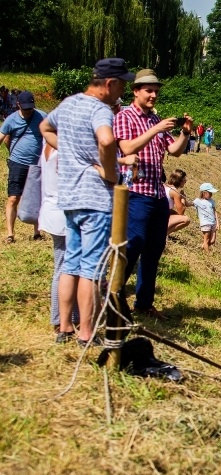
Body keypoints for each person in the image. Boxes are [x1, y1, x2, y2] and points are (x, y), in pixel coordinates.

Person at [39, 57, 134, 345]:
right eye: (122, 86)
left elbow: (45, 127)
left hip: (69, 196)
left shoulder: (68, 104)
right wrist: (109, 172)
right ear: (109, 83)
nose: (122, 92)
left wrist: (69, 152)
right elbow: (106, 140)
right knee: (91, 268)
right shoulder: (99, 110)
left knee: (70, 263)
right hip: (95, 198)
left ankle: (65, 326)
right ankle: (86, 332)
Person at [114, 68, 192, 319]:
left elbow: (174, 151)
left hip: (157, 194)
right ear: (136, 91)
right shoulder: (125, 116)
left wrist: (185, 133)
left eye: (156, 91)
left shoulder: (154, 120)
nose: (153, 95)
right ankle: (114, 295)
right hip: (135, 192)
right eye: (149, 90)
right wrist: (156, 129)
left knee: (154, 249)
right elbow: (127, 147)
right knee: (133, 244)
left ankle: (144, 303)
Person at [37, 143, 79, 335]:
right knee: (65, 267)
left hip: (53, 209)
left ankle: (70, 316)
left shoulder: (48, 145)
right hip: (63, 211)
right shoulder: (62, 147)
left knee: (65, 266)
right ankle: (60, 318)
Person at [0, 90, 47, 243]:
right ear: (18, 105)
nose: (28, 111)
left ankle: (37, 232)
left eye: (30, 108)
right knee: (13, 198)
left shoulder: (42, 116)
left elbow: (52, 135)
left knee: (37, 197)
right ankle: (10, 234)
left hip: (37, 164)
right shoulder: (11, 120)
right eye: (25, 108)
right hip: (17, 163)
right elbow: (3, 138)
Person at [193, 183, 218, 252]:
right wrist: (183, 198)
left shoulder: (211, 201)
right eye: (210, 193)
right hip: (205, 223)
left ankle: (203, 247)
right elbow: (188, 204)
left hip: (213, 222)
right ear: (204, 193)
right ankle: (208, 254)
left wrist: (217, 223)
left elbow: (215, 212)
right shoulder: (198, 201)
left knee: (212, 240)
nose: (211, 194)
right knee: (206, 240)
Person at [165, 169, 191, 236]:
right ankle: (163, 234)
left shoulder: (163, 186)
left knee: (173, 212)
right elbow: (181, 212)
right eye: (184, 180)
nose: (185, 182)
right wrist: (183, 198)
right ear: (180, 180)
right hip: (159, 217)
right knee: (186, 219)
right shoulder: (175, 192)